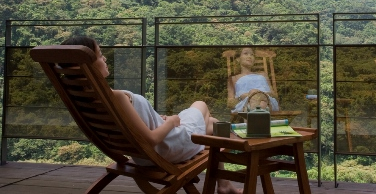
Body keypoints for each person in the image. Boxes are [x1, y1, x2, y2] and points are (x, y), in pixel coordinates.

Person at [61, 36, 242, 194]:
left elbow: (134, 128)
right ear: (87, 65)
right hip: (169, 148)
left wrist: (157, 119)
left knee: (212, 124)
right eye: (100, 55)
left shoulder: (87, 101)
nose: (105, 58)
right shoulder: (116, 97)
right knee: (201, 105)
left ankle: (224, 186)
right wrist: (171, 122)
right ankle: (242, 155)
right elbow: (150, 140)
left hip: (146, 155)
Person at [227, 47, 279, 112]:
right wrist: (242, 97)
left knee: (258, 99)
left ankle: (251, 118)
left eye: (252, 55)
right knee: (262, 105)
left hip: (267, 100)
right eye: (246, 53)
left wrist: (260, 93)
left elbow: (275, 96)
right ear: (238, 59)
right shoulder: (233, 78)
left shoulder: (263, 75)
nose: (249, 56)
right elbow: (230, 103)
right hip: (245, 103)